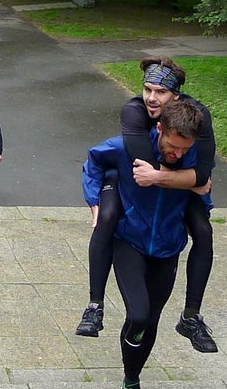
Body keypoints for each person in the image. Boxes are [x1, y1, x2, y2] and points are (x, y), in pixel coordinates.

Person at [75, 58, 219, 354]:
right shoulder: (135, 113)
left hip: (170, 203)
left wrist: (192, 184)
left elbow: (203, 173)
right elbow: (104, 161)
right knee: (108, 217)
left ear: (176, 96)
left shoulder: (194, 122)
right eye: (148, 89)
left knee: (203, 231)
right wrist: (94, 202)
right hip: (129, 181)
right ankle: (94, 305)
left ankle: (191, 316)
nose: (152, 98)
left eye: (161, 92)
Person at [81, 100, 208, 389]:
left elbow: (202, 187)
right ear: (160, 129)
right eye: (173, 146)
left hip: (168, 247)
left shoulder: (193, 155)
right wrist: (95, 203)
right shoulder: (128, 146)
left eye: (185, 149)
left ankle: (132, 382)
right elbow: (93, 161)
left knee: (150, 321)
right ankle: (129, 373)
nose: (177, 154)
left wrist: (201, 199)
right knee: (137, 315)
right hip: (130, 241)